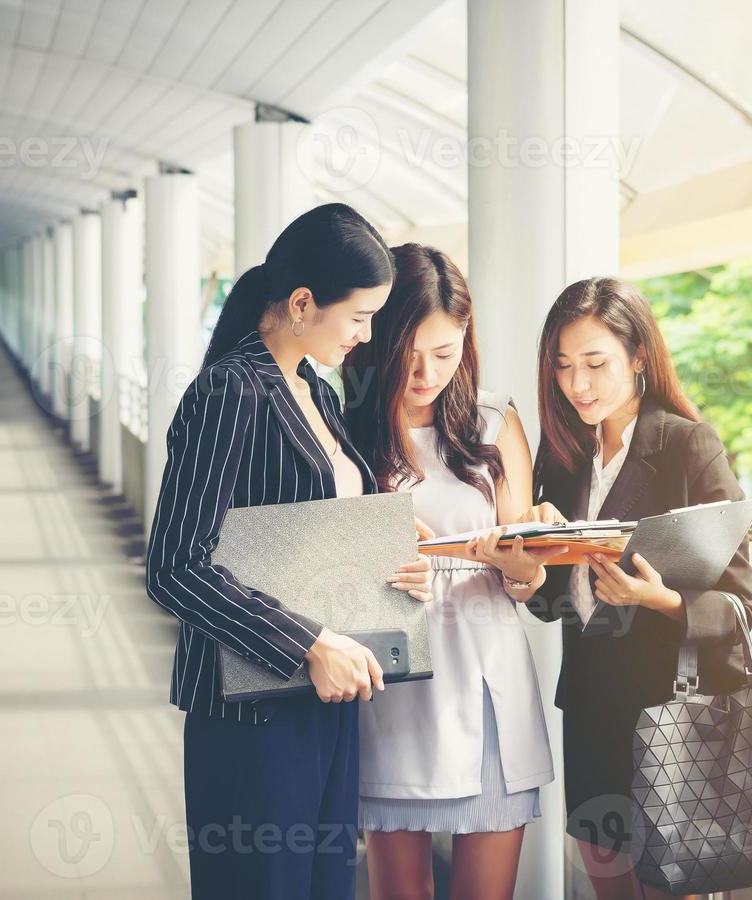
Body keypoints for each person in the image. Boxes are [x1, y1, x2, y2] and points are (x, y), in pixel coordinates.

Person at [145, 203, 433, 900]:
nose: (365, 337)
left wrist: (390, 554)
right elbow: (175, 566)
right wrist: (307, 642)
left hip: (325, 697)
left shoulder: (314, 389)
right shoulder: (228, 391)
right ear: (302, 303)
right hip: (252, 709)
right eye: (359, 317)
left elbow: (308, 530)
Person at [508, 278, 752, 900]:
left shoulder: (683, 446)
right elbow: (549, 604)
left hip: (669, 709)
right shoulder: (564, 457)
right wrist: (537, 561)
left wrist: (659, 601)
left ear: (638, 356)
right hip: (593, 708)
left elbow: (739, 604)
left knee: (676, 885)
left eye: (596, 364)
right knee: (607, 884)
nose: (578, 384)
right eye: (563, 367)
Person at [343, 244, 560, 900]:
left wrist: (519, 564)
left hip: (487, 679)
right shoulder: (345, 428)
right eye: (409, 353)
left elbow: (528, 579)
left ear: (464, 341)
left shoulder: (494, 422)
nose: (425, 372)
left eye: (443, 354)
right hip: (392, 686)